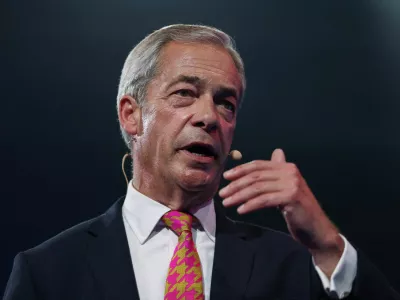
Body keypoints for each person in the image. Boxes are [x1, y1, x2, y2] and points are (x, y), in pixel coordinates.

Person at [3, 24, 399, 300]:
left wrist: (327, 245)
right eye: (185, 94)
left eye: (226, 103)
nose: (209, 116)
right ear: (131, 114)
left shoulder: (292, 263)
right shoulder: (49, 272)